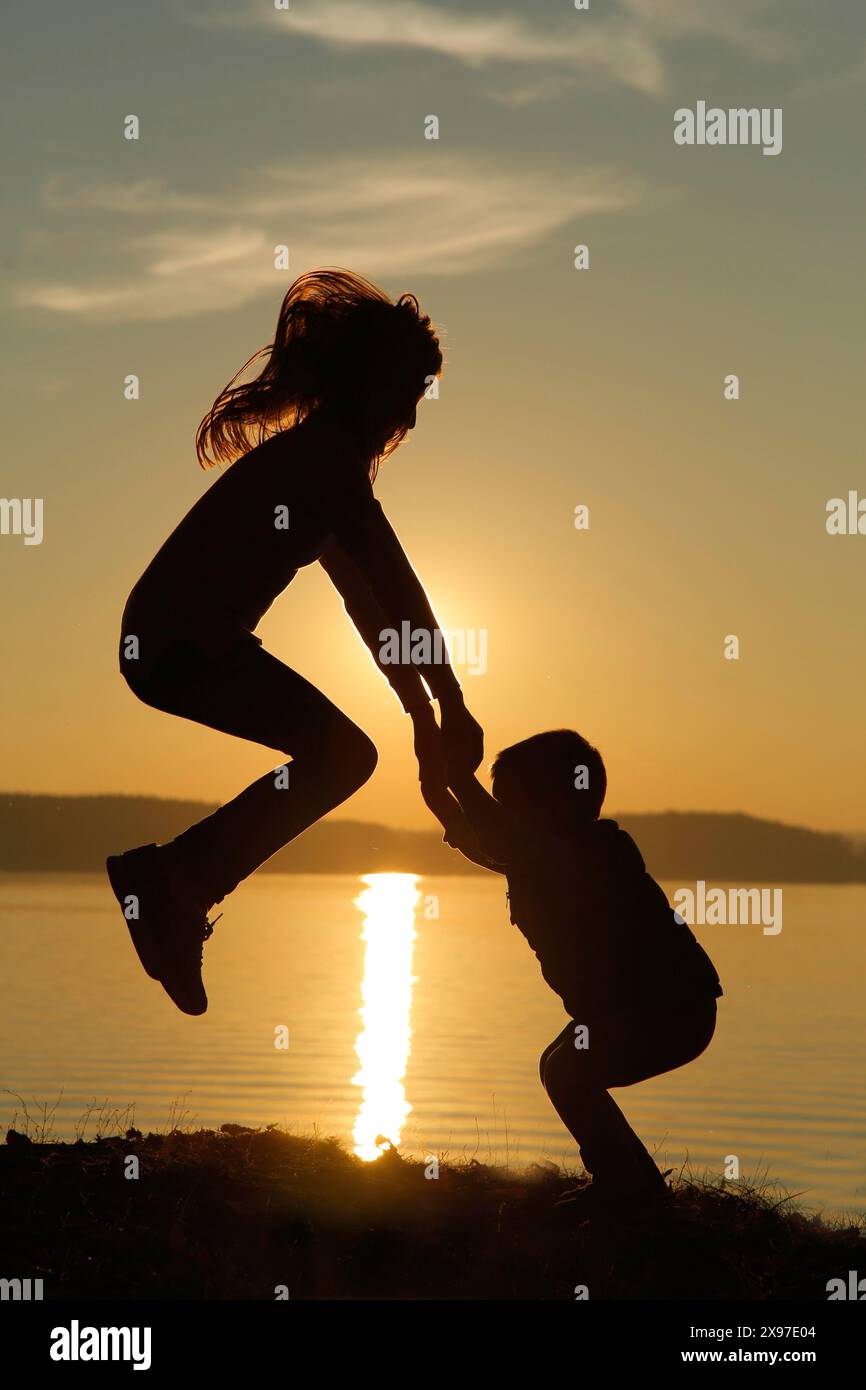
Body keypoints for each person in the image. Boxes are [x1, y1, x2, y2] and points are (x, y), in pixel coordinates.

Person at [107, 268, 482, 1016]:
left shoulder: (324, 467)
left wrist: (422, 719)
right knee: (342, 757)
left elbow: (369, 606)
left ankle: (172, 885)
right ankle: (170, 884)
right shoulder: (325, 464)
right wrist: (451, 701)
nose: (410, 415)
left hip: (179, 643)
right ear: (373, 384)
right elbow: (397, 585)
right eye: (408, 394)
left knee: (343, 756)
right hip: (176, 645)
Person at [433, 728, 723, 1213]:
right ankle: (637, 1185)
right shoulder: (549, 855)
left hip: (672, 1012)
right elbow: (510, 854)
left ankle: (626, 1190)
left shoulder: (596, 852)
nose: (504, 816)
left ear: (559, 806)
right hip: (640, 1010)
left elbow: (514, 849)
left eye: (512, 805)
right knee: (559, 1064)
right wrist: (462, 829)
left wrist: (460, 781)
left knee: (569, 1071)